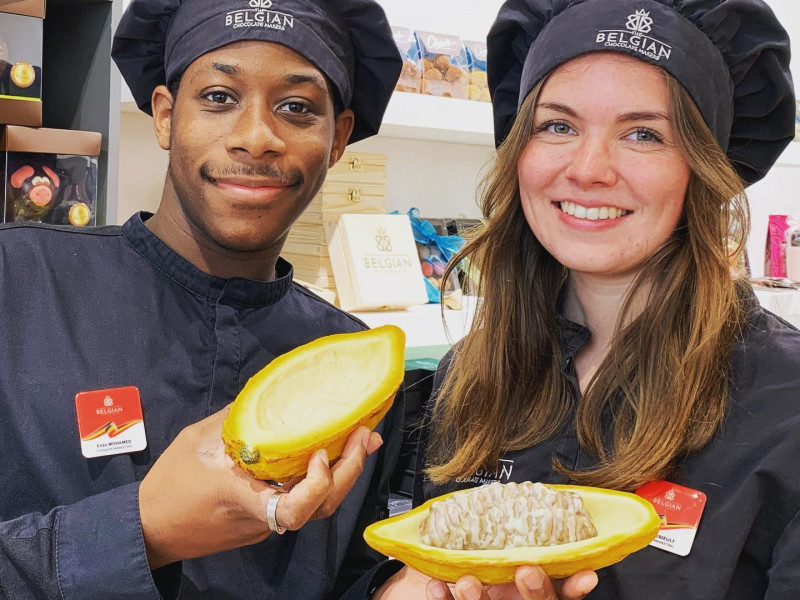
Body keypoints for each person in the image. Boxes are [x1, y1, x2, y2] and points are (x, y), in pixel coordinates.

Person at [370, 0, 800, 599]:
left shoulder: (786, 406)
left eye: (643, 133)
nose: (589, 169)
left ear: (705, 168)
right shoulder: (465, 376)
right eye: (558, 125)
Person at [0, 0, 404, 598]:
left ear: (337, 137)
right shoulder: (18, 282)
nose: (257, 137)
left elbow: (354, 574)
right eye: (219, 97)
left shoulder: (358, 365)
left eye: (297, 108)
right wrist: (146, 528)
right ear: (164, 116)